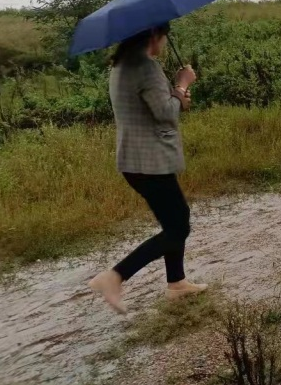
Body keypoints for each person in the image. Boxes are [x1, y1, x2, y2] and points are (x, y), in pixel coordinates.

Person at [88, 23, 206, 314]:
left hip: (134, 161)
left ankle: (177, 283)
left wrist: (176, 97)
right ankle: (115, 276)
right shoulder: (146, 67)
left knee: (173, 221)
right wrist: (182, 85)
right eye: (164, 37)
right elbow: (165, 113)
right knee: (178, 226)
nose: (164, 43)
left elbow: (157, 107)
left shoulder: (121, 64)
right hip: (150, 162)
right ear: (154, 36)